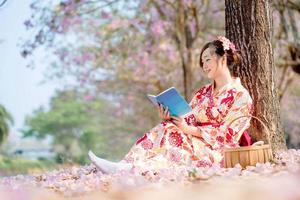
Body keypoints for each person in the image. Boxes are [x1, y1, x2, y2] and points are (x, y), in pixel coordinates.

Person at [88, 36, 254, 174]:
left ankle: (129, 169)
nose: (204, 66)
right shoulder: (202, 93)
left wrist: (189, 130)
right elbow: (189, 118)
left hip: (217, 150)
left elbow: (229, 136)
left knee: (174, 147)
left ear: (223, 59)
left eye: (207, 60)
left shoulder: (240, 95)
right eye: (202, 62)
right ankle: (127, 164)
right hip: (193, 138)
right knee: (166, 128)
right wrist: (172, 117)